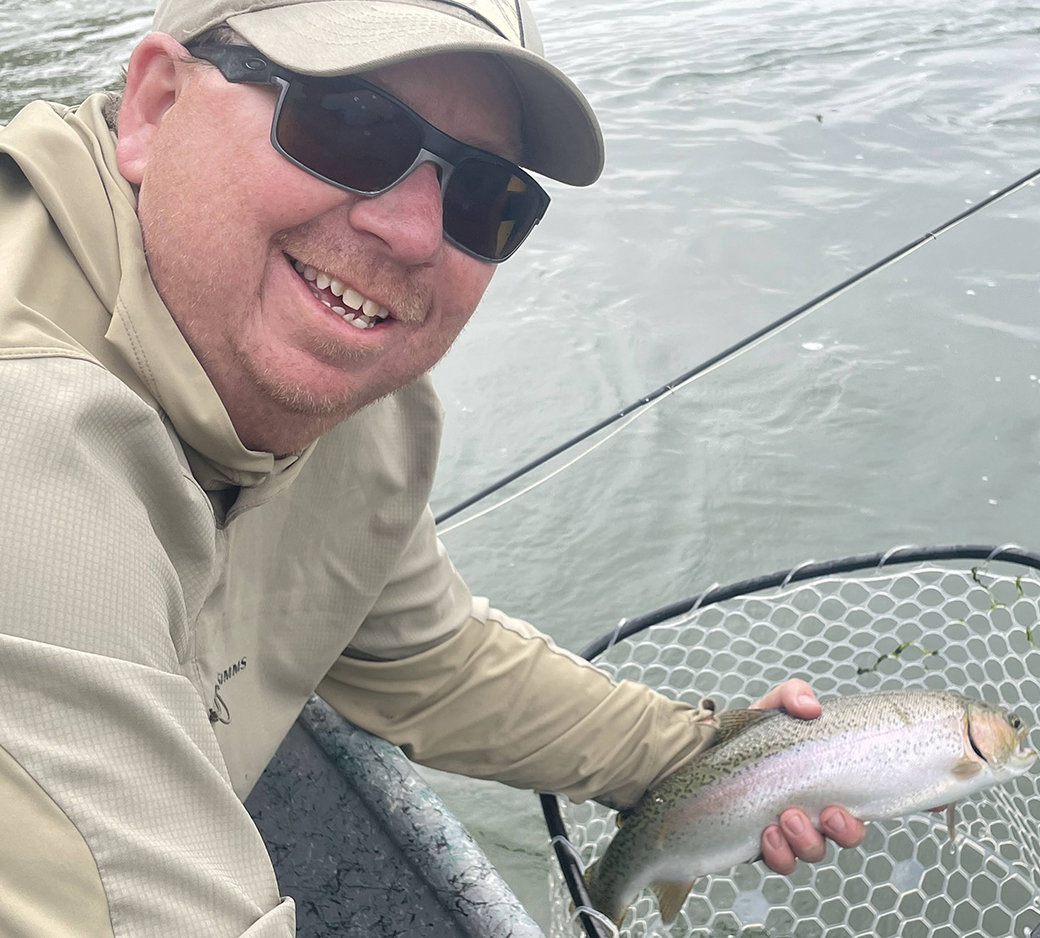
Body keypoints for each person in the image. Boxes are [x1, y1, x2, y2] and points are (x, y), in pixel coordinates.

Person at [0, 1, 863, 933]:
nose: (414, 233)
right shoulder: (29, 443)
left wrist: (708, 758)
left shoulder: (343, 400)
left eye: (485, 197)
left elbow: (430, 659)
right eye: (351, 127)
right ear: (156, 108)